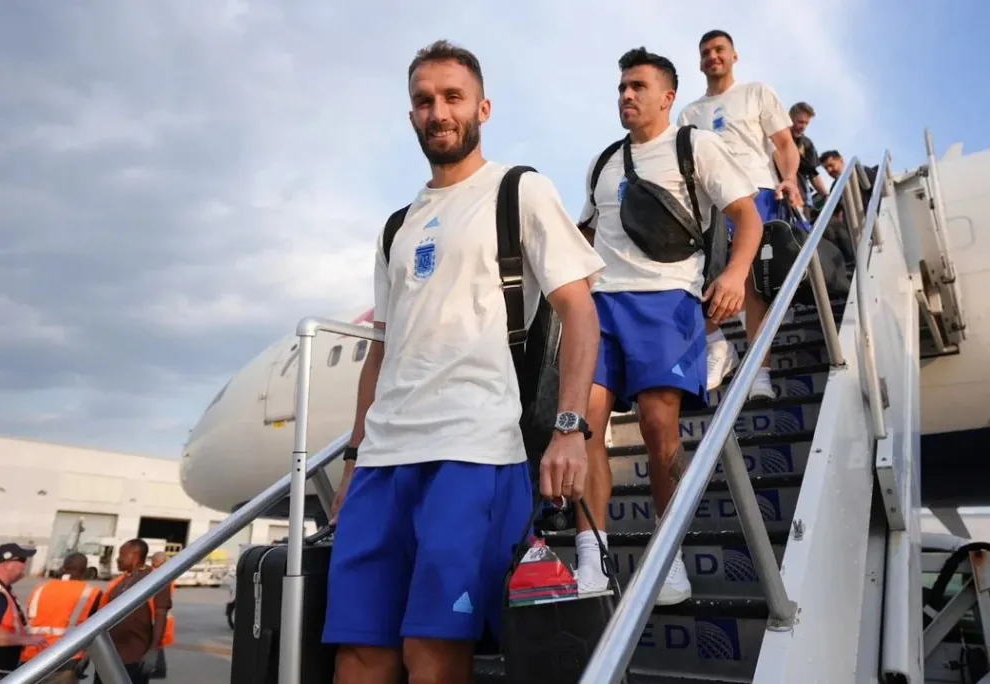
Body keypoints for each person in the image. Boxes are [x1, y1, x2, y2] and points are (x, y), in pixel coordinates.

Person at [322, 40, 604, 684]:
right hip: (382, 464)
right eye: (424, 101)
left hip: (474, 452)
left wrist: (570, 429)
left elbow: (580, 313)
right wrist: (355, 454)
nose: (438, 112)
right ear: (412, 115)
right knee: (360, 654)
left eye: (452, 97)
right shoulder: (397, 226)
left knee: (433, 649)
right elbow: (382, 351)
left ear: (482, 106)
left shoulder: (519, 191)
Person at [575, 48, 763, 604]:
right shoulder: (605, 161)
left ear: (667, 97)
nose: (626, 96)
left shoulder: (695, 146)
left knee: (660, 434)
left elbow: (747, 216)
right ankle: (593, 557)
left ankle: (669, 555)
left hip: (666, 303)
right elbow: (585, 236)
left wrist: (733, 274)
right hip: (602, 305)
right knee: (585, 424)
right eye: (620, 88)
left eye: (637, 86)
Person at [677, 29, 804, 399]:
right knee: (697, 276)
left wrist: (791, 179)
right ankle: (719, 344)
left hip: (755, 190)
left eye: (719, 50)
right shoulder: (689, 113)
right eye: (705, 52)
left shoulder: (756, 93)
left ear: (734, 56)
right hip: (712, 202)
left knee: (752, 286)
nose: (712, 56)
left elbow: (783, 144)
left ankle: (759, 374)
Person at [93, 540, 172, 684]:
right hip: (107, 656)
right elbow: (101, 619)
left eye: (121, 555)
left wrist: (154, 649)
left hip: (135, 659)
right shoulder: (119, 582)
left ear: (134, 556)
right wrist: (91, 651)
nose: (118, 559)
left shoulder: (156, 579)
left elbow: (161, 615)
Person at [19, 553, 101, 684]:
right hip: (66, 658)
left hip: (31, 656)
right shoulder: (91, 592)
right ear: (85, 571)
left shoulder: (40, 589)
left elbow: (29, 620)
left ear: (63, 568)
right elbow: (95, 629)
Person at [0, 544, 44, 679]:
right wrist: (25, 640)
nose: (26, 565)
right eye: (23, 560)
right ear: (7, 565)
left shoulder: (5, 590)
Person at [789, 102, 830, 202]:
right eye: (800, 122)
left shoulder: (807, 144)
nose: (803, 126)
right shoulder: (776, 137)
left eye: (806, 123)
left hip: (800, 196)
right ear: (790, 118)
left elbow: (813, 174)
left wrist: (826, 196)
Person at [147, 552, 173, 680]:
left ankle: (159, 668)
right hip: (163, 614)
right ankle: (159, 668)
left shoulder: (158, 575)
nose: (151, 562)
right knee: (158, 642)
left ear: (157, 561)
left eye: (153, 560)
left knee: (156, 642)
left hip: (156, 614)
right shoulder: (168, 574)